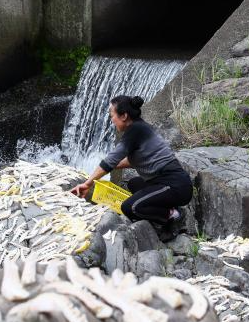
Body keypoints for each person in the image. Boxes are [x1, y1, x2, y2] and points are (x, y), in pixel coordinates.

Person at [70, 95, 193, 242]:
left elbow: (110, 161)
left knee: (130, 208)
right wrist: (106, 167)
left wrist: (88, 183)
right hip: (165, 183)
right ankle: (169, 209)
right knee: (134, 184)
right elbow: (132, 159)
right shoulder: (140, 128)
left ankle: (174, 216)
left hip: (175, 186)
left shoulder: (134, 132)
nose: (111, 120)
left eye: (112, 116)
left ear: (124, 116)